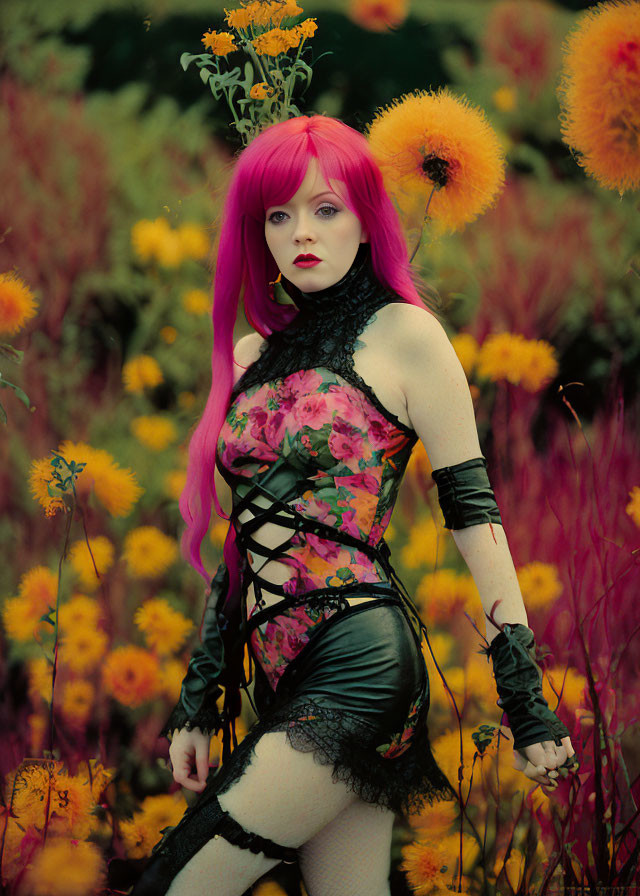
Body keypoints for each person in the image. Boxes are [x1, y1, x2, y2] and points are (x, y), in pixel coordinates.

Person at [129, 115, 578, 896]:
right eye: (279, 214)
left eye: (326, 209)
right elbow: (241, 540)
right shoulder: (251, 356)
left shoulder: (406, 336)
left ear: (367, 218)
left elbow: (474, 514)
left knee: (175, 885)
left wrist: (526, 701)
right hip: (279, 678)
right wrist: (199, 700)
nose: (302, 232)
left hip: (361, 663)